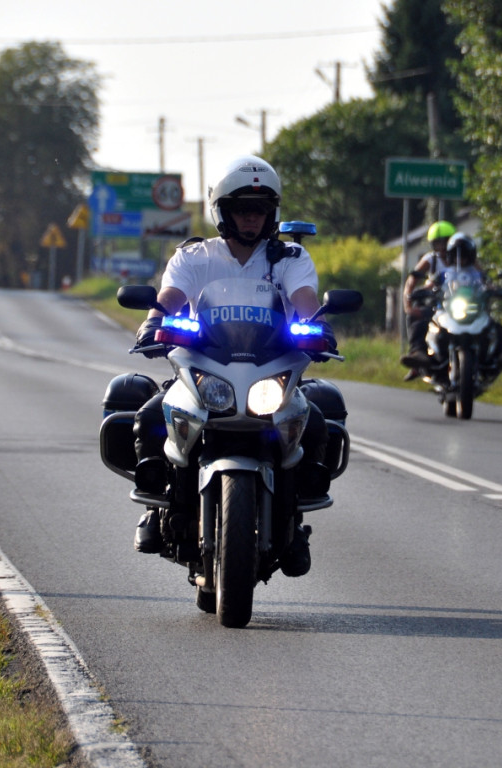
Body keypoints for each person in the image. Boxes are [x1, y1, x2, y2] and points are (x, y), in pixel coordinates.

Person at [129, 155, 336, 574]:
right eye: (242, 209)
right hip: (206, 368)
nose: (251, 218)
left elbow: (305, 300)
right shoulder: (194, 256)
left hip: (268, 371)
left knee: (317, 419)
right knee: (150, 416)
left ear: (271, 214)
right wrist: (153, 321)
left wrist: (318, 326)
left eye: (259, 210)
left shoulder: (290, 257)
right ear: (223, 211)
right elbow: (170, 295)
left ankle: (293, 520)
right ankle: (156, 506)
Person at [402, 231, 502, 371]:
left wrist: (498, 290)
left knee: (496, 327)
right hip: (446, 310)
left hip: (474, 311)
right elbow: (431, 285)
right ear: (450, 256)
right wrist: (421, 292)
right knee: (420, 325)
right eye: (456, 255)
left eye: (464, 255)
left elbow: (488, 284)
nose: (460, 259)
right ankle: (419, 354)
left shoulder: (478, 274)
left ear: (471, 255)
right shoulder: (444, 274)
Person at [400, 220, 455, 378]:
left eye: (446, 241)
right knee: (418, 319)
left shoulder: (462, 258)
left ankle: (492, 357)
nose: (443, 246)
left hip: (460, 304)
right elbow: (411, 280)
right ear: (433, 245)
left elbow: (479, 274)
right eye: (438, 243)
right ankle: (418, 355)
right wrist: (408, 305)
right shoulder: (431, 259)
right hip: (437, 304)